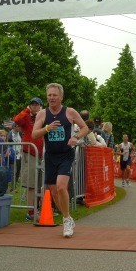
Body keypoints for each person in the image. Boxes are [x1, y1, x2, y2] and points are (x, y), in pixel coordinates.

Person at [32, 83, 89, 238]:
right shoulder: (42, 114)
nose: (51, 98)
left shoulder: (69, 112)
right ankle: (67, 216)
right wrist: (47, 128)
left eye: (54, 95)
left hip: (66, 154)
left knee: (61, 186)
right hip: (50, 155)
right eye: (49, 95)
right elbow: (34, 134)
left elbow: (85, 128)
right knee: (54, 191)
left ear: (61, 97)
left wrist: (75, 137)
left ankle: (65, 221)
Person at [13, 97, 44, 222]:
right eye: (32, 104)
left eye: (37, 105)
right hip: (30, 152)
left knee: (39, 184)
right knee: (31, 184)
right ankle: (30, 212)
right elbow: (16, 120)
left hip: (41, 154)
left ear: (41, 106)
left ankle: (37, 209)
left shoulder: (43, 116)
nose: (34, 106)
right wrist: (26, 110)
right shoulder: (26, 117)